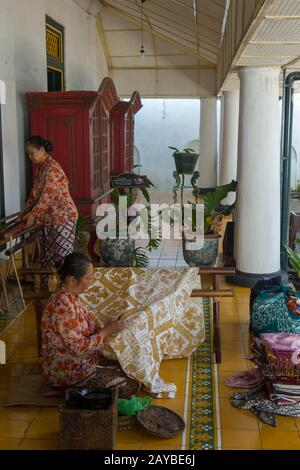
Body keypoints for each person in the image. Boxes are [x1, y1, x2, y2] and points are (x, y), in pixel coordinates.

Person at [41, 252, 125, 389]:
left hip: (82, 362)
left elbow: (86, 329)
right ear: (73, 280)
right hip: (67, 371)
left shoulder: (72, 297)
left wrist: (109, 326)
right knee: (125, 386)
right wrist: (106, 331)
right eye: (88, 278)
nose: (91, 282)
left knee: (125, 369)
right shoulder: (62, 305)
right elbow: (78, 349)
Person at [24, 135, 78, 270]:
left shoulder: (52, 168)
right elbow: (35, 192)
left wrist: (33, 214)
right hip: (49, 218)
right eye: (28, 154)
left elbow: (48, 195)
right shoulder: (41, 168)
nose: (30, 157)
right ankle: (49, 288)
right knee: (48, 257)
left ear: (42, 150)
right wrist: (26, 210)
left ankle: (63, 290)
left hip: (62, 218)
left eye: (32, 153)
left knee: (60, 257)